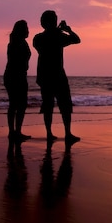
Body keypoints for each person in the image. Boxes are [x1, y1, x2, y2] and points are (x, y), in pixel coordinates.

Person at [33, 10, 81, 143]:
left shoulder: (38, 38)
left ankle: (50, 133)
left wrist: (60, 31)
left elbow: (75, 40)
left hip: (45, 76)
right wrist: (67, 30)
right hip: (57, 75)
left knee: (49, 105)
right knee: (64, 105)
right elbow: (76, 40)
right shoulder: (57, 36)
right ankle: (67, 133)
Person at [3, 20, 32, 141]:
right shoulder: (17, 43)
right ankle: (14, 132)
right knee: (18, 104)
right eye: (26, 28)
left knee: (17, 104)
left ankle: (15, 132)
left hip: (16, 75)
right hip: (15, 76)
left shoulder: (18, 42)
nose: (28, 31)